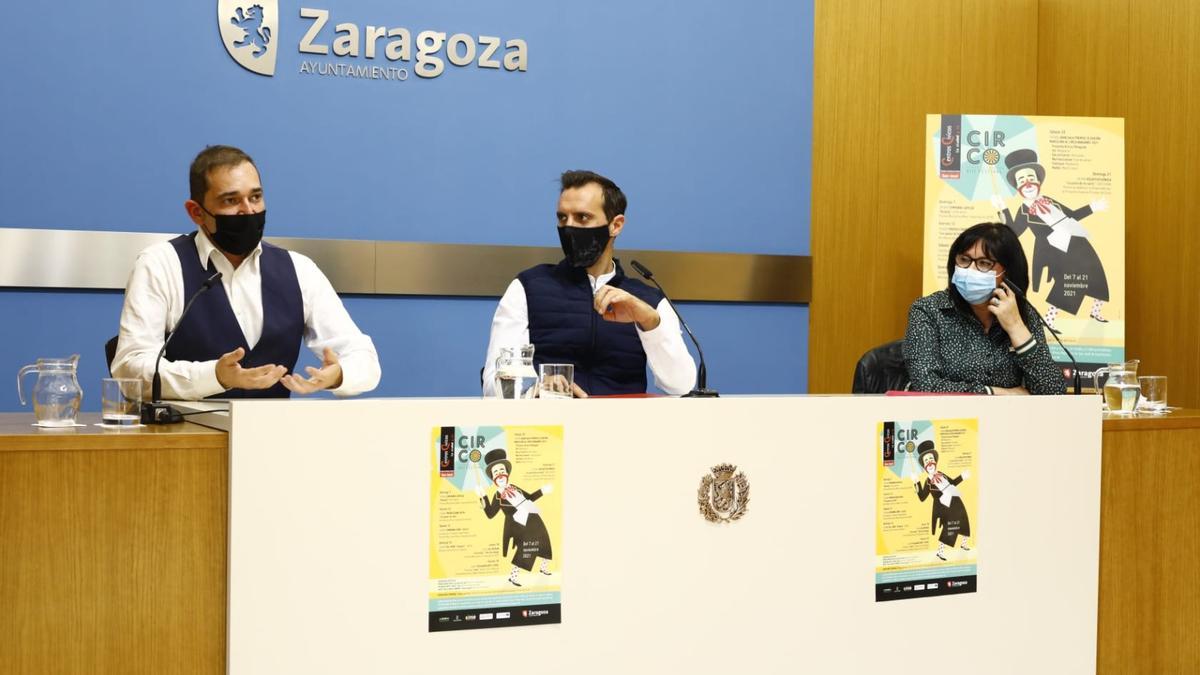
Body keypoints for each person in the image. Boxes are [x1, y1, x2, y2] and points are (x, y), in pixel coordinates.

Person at [112, 145, 380, 399]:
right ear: (196, 212)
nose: (248, 210)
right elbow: (130, 368)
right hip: (188, 437)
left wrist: (338, 375)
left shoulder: (299, 270)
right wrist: (214, 376)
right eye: (231, 200)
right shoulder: (160, 264)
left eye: (255, 197)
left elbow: (363, 358)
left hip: (273, 437)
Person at [481, 170, 696, 397]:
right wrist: (534, 390)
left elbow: (682, 386)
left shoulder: (648, 300)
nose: (569, 228)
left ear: (616, 225)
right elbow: (494, 385)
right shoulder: (528, 287)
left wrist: (650, 322)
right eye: (563, 218)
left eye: (582, 217)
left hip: (624, 428)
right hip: (550, 427)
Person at [903, 222, 1065, 395]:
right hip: (947, 419)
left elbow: (1053, 393)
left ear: (1007, 273)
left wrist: (1016, 327)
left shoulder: (1022, 313)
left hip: (1008, 421)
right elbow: (925, 386)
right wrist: (997, 393)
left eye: (984, 263)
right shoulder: (928, 310)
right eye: (964, 260)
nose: (970, 270)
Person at [991, 148, 1110, 331]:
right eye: (1022, 180)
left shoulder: (1050, 201)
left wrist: (1092, 207)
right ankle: (1048, 320)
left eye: (1031, 178)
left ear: (1038, 181)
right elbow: (1013, 231)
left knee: (1096, 273)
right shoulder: (1023, 211)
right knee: (1066, 283)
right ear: (1017, 186)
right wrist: (1003, 209)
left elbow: (1072, 215)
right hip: (1055, 251)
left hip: (1078, 244)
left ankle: (1096, 311)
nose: (1028, 183)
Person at [478, 449, 554, 587]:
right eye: (496, 473)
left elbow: (530, 497)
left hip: (533, 518)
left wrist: (542, 490)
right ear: (492, 478)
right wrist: (483, 496)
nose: (500, 475)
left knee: (544, 540)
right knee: (525, 549)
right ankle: (513, 577)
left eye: (502, 471)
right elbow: (490, 514)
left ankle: (543, 568)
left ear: (507, 473)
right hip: (519, 525)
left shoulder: (514, 487)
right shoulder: (497, 496)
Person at [912, 442, 972, 561]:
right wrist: (916, 482)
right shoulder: (928, 482)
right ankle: (940, 552)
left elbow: (953, 483)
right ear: (924, 466)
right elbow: (922, 498)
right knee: (949, 528)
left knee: (964, 519)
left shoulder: (942, 474)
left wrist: (962, 477)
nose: (929, 462)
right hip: (944, 507)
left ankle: (964, 543)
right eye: (926, 461)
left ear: (935, 461)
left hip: (956, 501)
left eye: (931, 459)